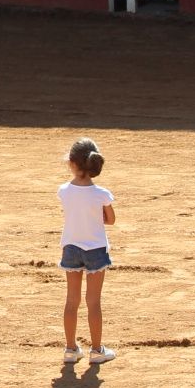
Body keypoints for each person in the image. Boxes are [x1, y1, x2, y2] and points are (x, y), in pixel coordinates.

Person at [58, 137, 117, 366]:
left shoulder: (64, 191)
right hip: (95, 249)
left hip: (71, 247)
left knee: (71, 301)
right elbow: (110, 220)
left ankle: (71, 349)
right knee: (93, 302)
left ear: (72, 163)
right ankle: (96, 350)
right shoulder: (101, 193)